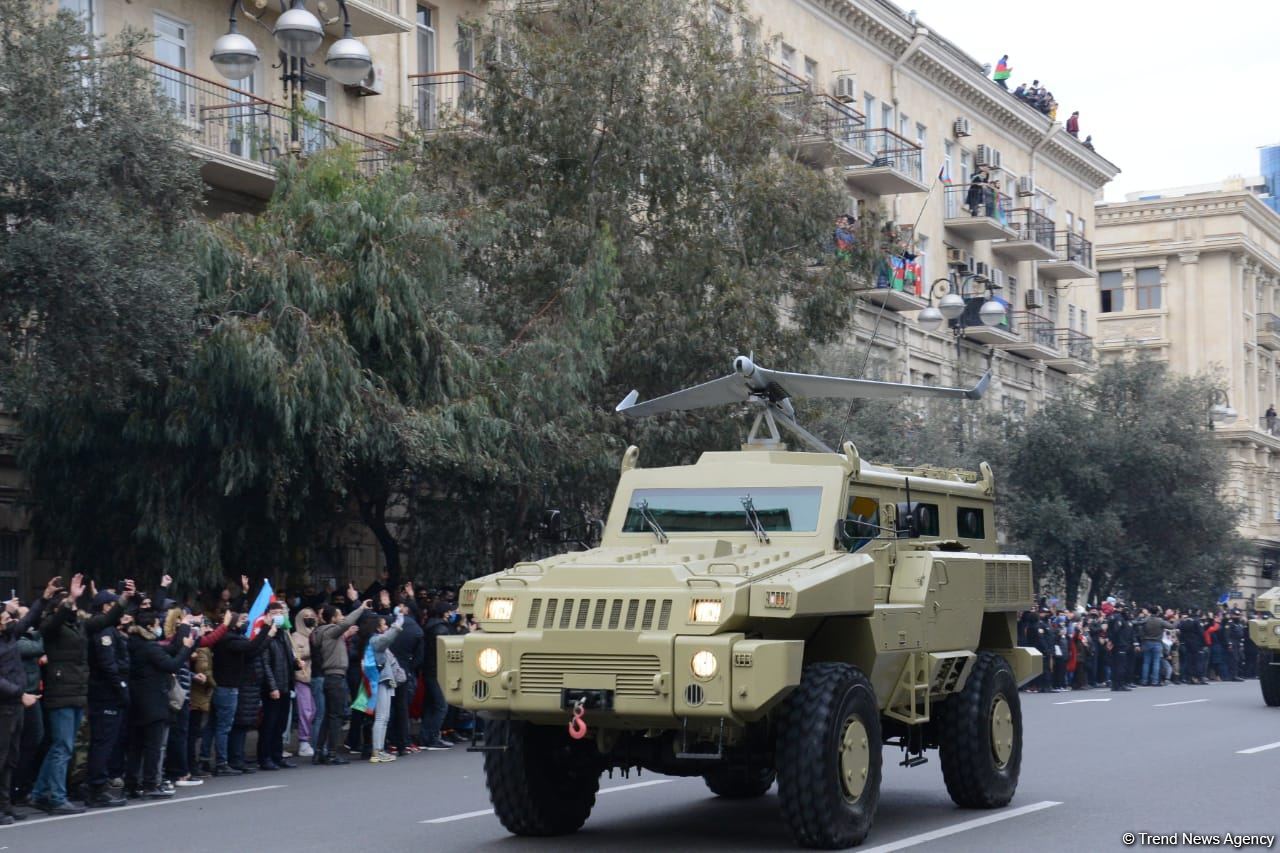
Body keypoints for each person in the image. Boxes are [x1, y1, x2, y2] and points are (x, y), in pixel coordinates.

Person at [32, 573, 129, 815]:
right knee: (63, 747)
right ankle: (57, 797)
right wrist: (70, 599)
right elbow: (54, 623)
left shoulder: (79, 626)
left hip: (77, 692)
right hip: (61, 692)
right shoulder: (52, 626)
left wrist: (124, 599)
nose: (75, 608)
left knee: (61, 746)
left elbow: (106, 620)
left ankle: (40, 793)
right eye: (70, 605)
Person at [0, 578, 57, 824]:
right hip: (5, 706)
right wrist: (19, 694)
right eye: (4, 618)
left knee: (11, 758)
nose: (9, 620)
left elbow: (29, 619)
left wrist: (45, 597)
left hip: (15, 706)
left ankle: (5, 804)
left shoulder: (9, 636)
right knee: (1, 757)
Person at [124, 609, 194, 799]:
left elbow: (171, 649)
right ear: (149, 626)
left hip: (137, 700)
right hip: (153, 701)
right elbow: (172, 664)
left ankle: (131, 784)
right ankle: (149, 784)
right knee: (152, 746)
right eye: (156, 625)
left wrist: (184, 628)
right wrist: (186, 649)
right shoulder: (149, 647)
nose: (158, 628)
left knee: (136, 746)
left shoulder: (135, 643)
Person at [203, 611, 270, 776]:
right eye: (242, 620)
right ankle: (221, 763)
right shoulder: (229, 639)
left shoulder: (228, 638)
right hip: (227, 688)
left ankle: (205, 759)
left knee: (213, 725)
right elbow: (251, 647)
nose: (245, 623)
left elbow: (250, 650)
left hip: (222, 686)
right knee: (223, 727)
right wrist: (266, 628)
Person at [86, 586, 134, 808]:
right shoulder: (104, 631)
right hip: (105, 693)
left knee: (106, 740)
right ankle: (97, 787)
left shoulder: (109, 628)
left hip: (108, 691)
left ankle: (98, 784)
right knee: (103, 741)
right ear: (106, 607)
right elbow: (108, 665)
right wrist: (121, 689)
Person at [312, 596, 370, 765]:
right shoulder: (331, 631)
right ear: (332, 618)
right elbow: (347, 623)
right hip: (336, 677)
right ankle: (332, 753)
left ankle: (319, 751)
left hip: (329, 677)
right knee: (336, 717)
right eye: (339, 615)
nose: (342, 617)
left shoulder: (322, 632)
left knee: (328, 716)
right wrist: (361, 608)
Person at [256, 602, 296, 771]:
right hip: (272, 688)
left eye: (281, 612)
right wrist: (272, 687)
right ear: (268, 615)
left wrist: (296, 665)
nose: (279, 616)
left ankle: (277, 756)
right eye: (275, 613)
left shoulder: (284, 635)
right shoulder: (266, 635)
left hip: (285, 685)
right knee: (269, 724)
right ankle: (265, 757)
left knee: (280, 724)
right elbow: (265, 664)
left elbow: (287, 659)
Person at [363, 608, 405, 764]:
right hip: (380, 681)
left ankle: (379, 750)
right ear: (377, 627)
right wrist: (398, 623)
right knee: (381, 718)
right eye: (384, 624)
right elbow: (388, 638)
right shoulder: (376, 641)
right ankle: (377, 751)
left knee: (383, 717)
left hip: (383, 681)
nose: (386, 627)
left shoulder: (375, 641)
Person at [419, 600, 455, 750]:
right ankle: (433, 738)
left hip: (429, 669)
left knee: (431, 705)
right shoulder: (442, 630)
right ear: (445, 613)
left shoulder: (429, 627)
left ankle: (425, 737)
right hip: (437, 671)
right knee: (441, 705)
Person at [291, 607, 318, 758]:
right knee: (305, 711)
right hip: (302, 677)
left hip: (315, 677)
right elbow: (297, 655)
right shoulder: (295, 636)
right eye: (306, 616)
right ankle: (303, 741)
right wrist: (313, 649)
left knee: (314, 711)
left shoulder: (316, 633)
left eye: (311, 616)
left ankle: (313, 740)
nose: (310, 618)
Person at [1136, 607, 1173, 686]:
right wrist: (1177, 622)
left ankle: (1144, 680)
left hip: (1146, 642)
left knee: (1146, 662)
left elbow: (1137, 623)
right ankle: (1154, 681)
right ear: (1157, 612)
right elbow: (1171, 626)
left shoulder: (1146, 620)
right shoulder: (1160, 621)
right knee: (1156, 662)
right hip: (1157, 642)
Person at [1105, 604, 1134, 691]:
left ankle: (1115, 685)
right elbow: (1115, 631)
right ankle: (1119, 684)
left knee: (1116, 665)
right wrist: (1112, 641)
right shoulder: (1120, 620)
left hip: (1120, 645)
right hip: (1120, 645)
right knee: (1120, 666)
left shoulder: (1124, 620)